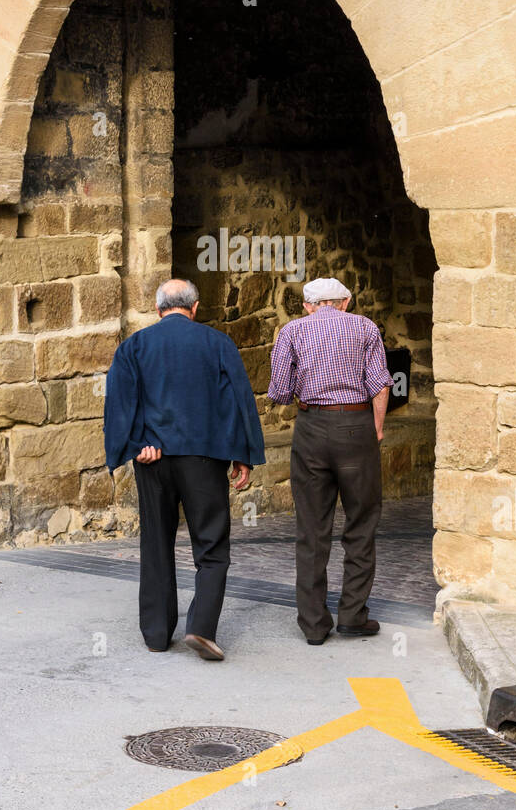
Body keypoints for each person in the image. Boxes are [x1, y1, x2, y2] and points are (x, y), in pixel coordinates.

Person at [104, 278, 265, 661]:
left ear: (158, 309)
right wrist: (242, 453)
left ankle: (157, 634)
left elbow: (121, 402)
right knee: (211, 546)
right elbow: (239, 398)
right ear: (195, 308)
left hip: (153, 457)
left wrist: (133, 445)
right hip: (205, 458)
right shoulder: (218, 344)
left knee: (156, 542)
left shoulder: (134, 347)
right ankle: (201, 628)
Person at [267, 278, 392, 645]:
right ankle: (353, 615)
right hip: (356, 427)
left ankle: (314, 624)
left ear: (308, 305)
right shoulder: (366, 327)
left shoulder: (292, 331)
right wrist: (377, 429)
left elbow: (279, 391)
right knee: (362, 521)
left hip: (311, 429)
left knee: (311, 527)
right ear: (346, 302)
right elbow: (380, 384)